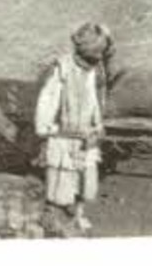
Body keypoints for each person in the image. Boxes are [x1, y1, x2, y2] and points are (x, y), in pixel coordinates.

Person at [34, 23, 112, 231]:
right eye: (95, 53)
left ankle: (78, 214)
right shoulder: (62, 69)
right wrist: (49, 128)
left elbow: (96, 99)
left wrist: (98, 125)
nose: (98, 57)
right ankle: (52, 215)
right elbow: (48, 102)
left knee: (85, 180)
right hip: (63, 135)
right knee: (59, 179)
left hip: (87, 135)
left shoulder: (97, 70)